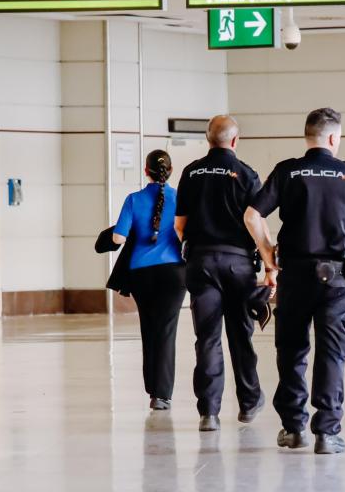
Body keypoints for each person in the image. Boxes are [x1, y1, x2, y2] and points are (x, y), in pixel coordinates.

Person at [244, 107, 345, 455]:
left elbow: (253, 215)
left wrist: (268, 254)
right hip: (338, 277)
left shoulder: (288, 171)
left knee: (293, 349)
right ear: (333, 138)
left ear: (308, 135)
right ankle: (327, 433)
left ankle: (293, 428)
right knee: (332, 350)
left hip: (295, 273)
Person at [174, 115, 268, 432]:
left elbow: (179, 226)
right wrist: (270, 262)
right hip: (238, 265)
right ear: (235, 140)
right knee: (241, 336)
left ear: (208, 139)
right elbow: (256, 221)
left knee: (207, 339)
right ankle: (249, 402)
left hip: (201, 263)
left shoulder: (191, 172)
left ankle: (209, 413)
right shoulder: (246, 174)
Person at [112, 150, 186, 411]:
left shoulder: (134, 199)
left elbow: (118, 239)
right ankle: (162, 395)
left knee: (149, 328)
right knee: (167, 331)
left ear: (146, 171)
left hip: (141, 273)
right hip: (174, 273)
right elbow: (185, 232)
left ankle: (152, 387)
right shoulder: (180, 198)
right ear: (172, 170)